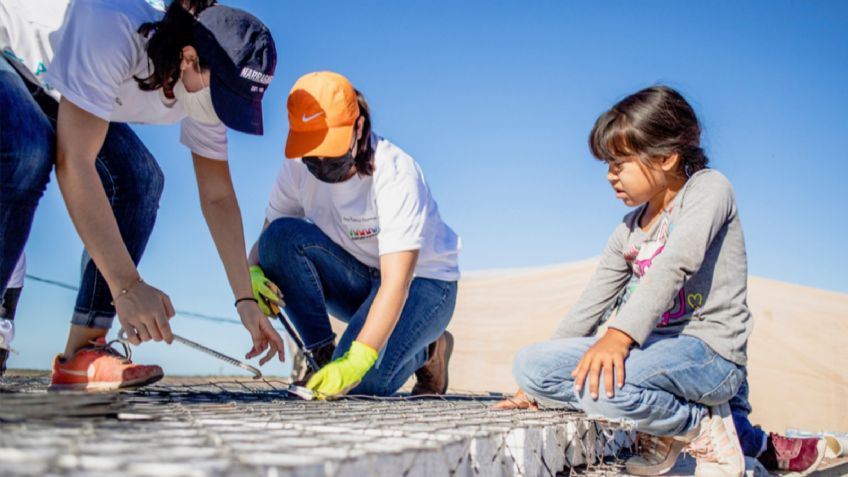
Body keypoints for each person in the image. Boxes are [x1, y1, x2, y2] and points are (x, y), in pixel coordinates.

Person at [0, 0, 285, 391]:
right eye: (221, 98)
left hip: (60, 84)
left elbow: (217, 196)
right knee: (24, 149)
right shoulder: (113, 25)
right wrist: (128, 286)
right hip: (11, 50)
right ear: (188, 58)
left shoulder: (199, 88)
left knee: (140, 180)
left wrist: (245, 302)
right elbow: (74, 162)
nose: (219, 113)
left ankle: (83, 352)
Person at [502, 86, 754, 477]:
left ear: (666, 157)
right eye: (607, 164)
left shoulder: (708, 189)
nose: (609, 176)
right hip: (650, 353)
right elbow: (593, 301)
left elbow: (677, 263)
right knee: (530, 364)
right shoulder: (628, 229)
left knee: (601, 389)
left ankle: (699, 426)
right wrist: (534, 388)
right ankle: (668, 420)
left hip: (708, 352)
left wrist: (618, 337)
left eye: (619, 163)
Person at [248, 71, 461, 399]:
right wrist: (250, 276)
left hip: (423, 285)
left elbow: (396, 284)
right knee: (278, 238)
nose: (319, 160)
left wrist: (358, 360)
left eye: (329, 148)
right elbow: (268, 240)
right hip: (361, 281)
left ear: (359, 127)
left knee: (361, 385)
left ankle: (430, 348)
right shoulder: (294, 169)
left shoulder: (395, 173)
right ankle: (321, 357)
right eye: (311, 150)